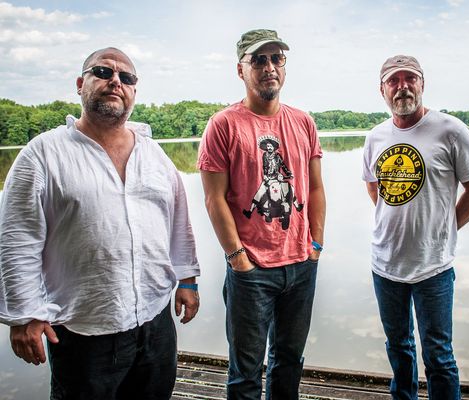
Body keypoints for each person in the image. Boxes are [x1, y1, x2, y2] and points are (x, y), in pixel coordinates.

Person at [0, 47, 201, 400]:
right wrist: (23, 315)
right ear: (81, 84)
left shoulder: (154, 155)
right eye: (103, 73)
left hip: (155, 325)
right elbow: (16, 240)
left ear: (134, 92)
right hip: (83, 332)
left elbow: (178, 221)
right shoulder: (43, 154)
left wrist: (188, 279)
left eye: (127, 78)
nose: (115, 82)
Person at [197, 29, 326, 399]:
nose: (269, 67)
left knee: (289, 359)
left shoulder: (303, 122)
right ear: (241, 70)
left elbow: (315, 189)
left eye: (276, 59)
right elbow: (214, 199)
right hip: (251, 270)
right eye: (259, 60)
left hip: (301, 264)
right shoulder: (223, 125)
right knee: (246, 371)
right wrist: (237, 258)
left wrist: (316, 244)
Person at [362, 54, 469, 400]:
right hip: (385, 266)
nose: (402, 86)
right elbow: (375, 188)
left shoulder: (451, 130)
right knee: (399, 349)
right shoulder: (375, 137)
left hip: (433, 268)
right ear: (382, 90)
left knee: (439, 356)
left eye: (409, 78)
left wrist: (446, 229)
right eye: (393, 80)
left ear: (421, 84)